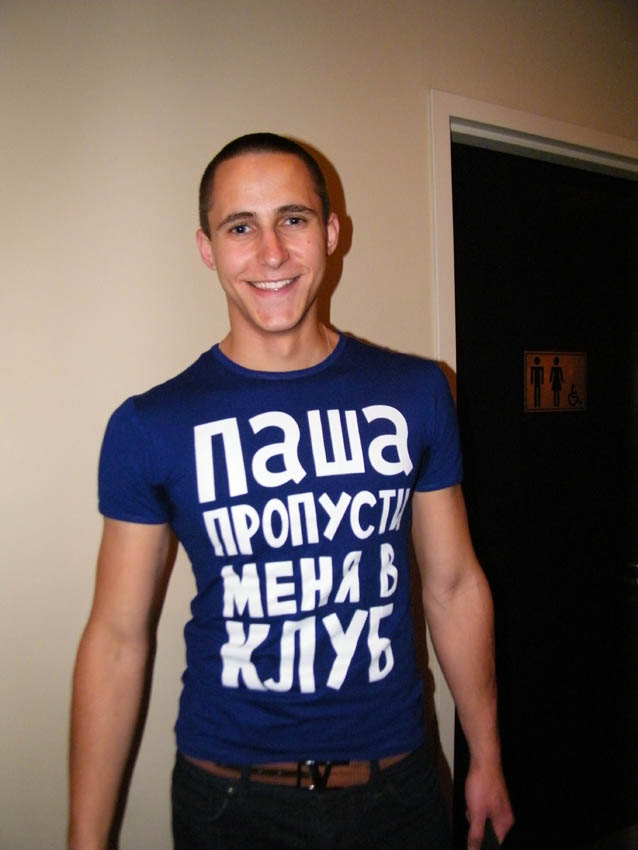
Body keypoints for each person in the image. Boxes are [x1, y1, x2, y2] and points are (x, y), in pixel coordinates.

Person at [69, 133, 513, 850]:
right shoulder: (150, 425)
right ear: (207, 248)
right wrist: (85, 840)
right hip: (229, 803)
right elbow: (117, 639)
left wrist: (486, 755)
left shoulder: (417, 392)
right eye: (240, 227)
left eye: (293, 219)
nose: (271, 253)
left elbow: (454, 585)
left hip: (397, 794)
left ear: (332, 233)